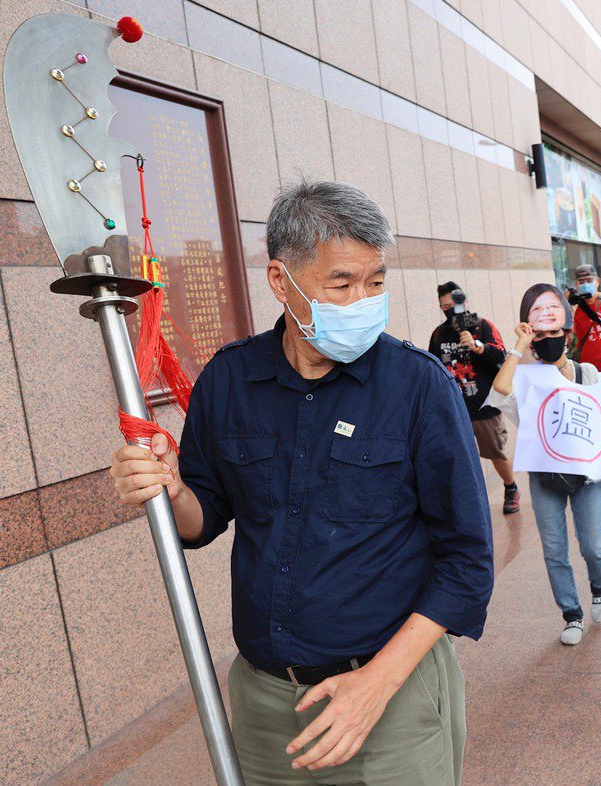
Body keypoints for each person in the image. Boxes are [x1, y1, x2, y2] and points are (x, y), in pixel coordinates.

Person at [108, 181, 493, 785]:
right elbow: (204, 517)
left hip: (389, 698)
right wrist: (169, 489)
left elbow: (468, 561)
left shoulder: (418, 388)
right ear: (280, 280)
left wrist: (375, 686)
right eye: (341, 284)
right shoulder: (232, 380)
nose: (363, 300)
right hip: (266, 706)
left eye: (375, 281)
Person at [488, 284, 601, 646]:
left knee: (593, 544)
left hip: (588, 474)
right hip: (545, 475)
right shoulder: (525, 379)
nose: (547, 340)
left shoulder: (587, 372)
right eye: (538, 335)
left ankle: (600, 586)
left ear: (568, 335)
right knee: (554, 548)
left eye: (553, 333)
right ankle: (571, 613)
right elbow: (499, 389)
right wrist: (519, 347)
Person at [429, 281, 520, 513]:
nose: (449, 310)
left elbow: (501, 354)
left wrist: (477, 346)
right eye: (444, 306)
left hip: (483, 404)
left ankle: (511, 487)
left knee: (496, 452)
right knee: (458, 457)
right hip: (454, 408)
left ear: (463, 302)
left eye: (452, 304)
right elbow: (433, 366)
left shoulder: (482, 325)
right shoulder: (440, 333)